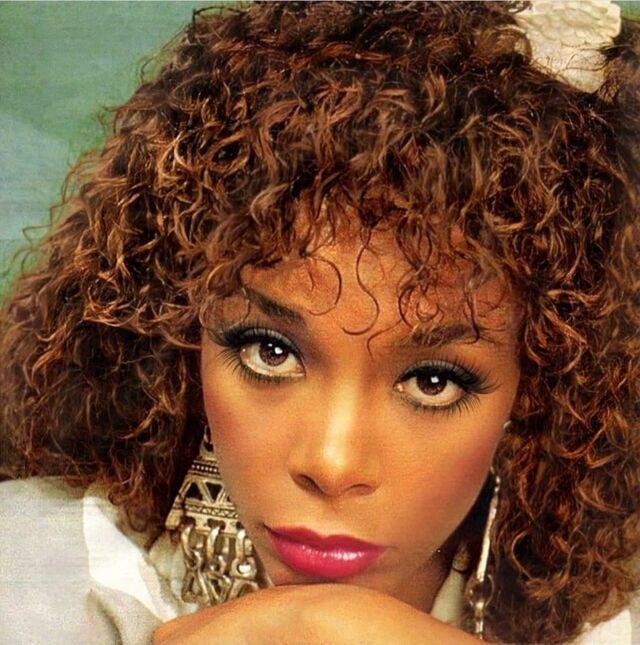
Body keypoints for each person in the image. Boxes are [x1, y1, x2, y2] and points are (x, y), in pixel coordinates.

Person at [0, 1, 638, 643]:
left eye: (433, 382)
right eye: (270, 352)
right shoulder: (37, 575)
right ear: (182, 336)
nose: (332, 464)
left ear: (543, 395)